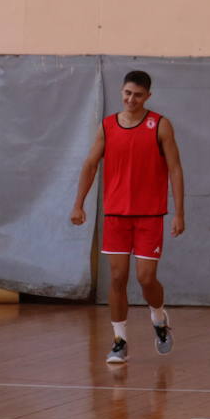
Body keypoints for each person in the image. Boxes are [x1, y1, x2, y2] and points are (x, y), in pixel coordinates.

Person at [71, 70, 185, 364]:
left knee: (146, 278)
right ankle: (120, 341)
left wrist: (179, 212)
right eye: (127, 93)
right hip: (116, 214)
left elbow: (175, 169)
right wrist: (78, 204)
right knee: (118, 277)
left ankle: (159, 318)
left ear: (148, 96)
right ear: (121, 92)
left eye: (138, 95)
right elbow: (90, 164)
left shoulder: (160, 125)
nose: (131, 99)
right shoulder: (108, 126)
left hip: (150, 215)